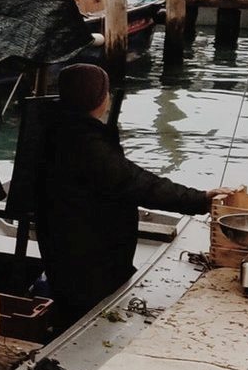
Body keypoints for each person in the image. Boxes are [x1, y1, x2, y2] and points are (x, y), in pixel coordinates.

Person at [31, 64, 225, 328]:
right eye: (106, 91)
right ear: (99, 98)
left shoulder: (58, 127)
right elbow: (138, 184)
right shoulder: (85, 143)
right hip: (86, 252)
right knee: (86, 309)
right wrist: (200, 199)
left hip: (64, 240)